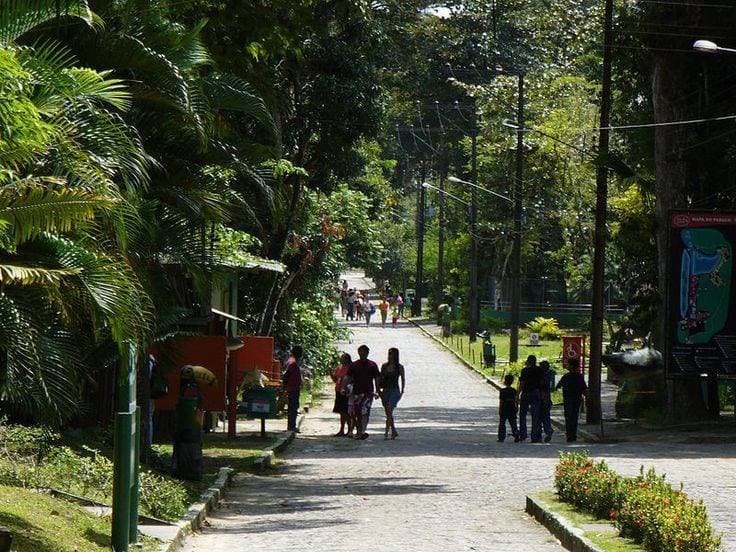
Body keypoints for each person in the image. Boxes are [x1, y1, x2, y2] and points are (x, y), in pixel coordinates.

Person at [173, 365, 204, 480]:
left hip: (188, 426)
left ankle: (189, 472)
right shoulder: (195, 389)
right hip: (192, 426)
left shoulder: (188, 389)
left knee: (187, 449)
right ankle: (191, 472)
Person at [348, 344, 380, 439]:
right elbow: (348, 377)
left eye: (364, 352)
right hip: (357, 393)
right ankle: (359, 431)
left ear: (367, 353)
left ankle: (362, 430)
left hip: (368, 392)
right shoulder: (354, 365)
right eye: (361, 352)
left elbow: (377, 378)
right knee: (357, 412)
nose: (362, 354)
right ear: (358, 353)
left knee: (365, 412)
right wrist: (345, 387)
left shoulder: (372, 365)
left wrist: (378, 390)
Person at [555, 357, 587, 442]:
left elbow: (558, 386)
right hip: (576, 400)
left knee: (568, 417)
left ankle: (569, 435)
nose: (567, 366)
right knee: (574, 417)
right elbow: (584, 389)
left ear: (571, 366)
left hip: (568, 400)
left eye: (568, 364)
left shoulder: (566, 376)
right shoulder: (579, 377)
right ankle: (573, 435)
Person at [379, 348, 405, 439]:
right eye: (389, 354)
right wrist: (378, 391)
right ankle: (393, 430)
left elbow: (402, 379)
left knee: (390, 409)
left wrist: (402, 391)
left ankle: (386, 431)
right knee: (388, 412)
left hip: (394, 390)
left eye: (393, 354)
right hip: (385, 390)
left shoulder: (399, 367)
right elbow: (380, 378)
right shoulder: (384, 366)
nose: (391, 356)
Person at [518, 354, 543, 443]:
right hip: (536, 392)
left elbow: (522, 383)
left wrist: (518, 394)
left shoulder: (524, 370)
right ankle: (535, 436)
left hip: (526, 393)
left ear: (528, 361)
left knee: (523, 414)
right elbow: (541, 382)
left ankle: (523, 434)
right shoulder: (539, 370)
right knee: (536, 415)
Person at [282, 345, 303, 432]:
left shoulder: (291, 361)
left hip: (293, 388)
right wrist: (285, 386)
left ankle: (291, 425)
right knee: (293, 407)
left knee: (293, 407)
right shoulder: (293, 363)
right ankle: (291, 426)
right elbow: (286, 375)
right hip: (292, 388)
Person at [331, 353, 351, 436]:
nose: (341, 359)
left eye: (343, 358)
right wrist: (331, 373)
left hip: (346, 392)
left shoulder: (350, 368)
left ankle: (350, 429)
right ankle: (342, 429)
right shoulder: (339, 367)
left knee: (347, 412)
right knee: (341, 412)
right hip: (338, 391)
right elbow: (336, 379)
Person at [498, 373, 520, 442]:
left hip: (504, 407)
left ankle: (501, 437)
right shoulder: (514, 390)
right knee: (513, 422)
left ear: (505, 381)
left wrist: (500, 409)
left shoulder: (502, 391)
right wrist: (517, 407)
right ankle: (516, 434)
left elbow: (501, 401)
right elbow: (516, 400)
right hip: (512, 407)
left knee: (502, 423)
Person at [539, 360, 554, 443]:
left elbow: (543, 388)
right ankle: (547, 430)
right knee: (546, 416)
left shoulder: (542, 377)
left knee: (541, 416)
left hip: (542, 399)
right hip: (548, 399)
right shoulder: (550, 375)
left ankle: (546, 430)